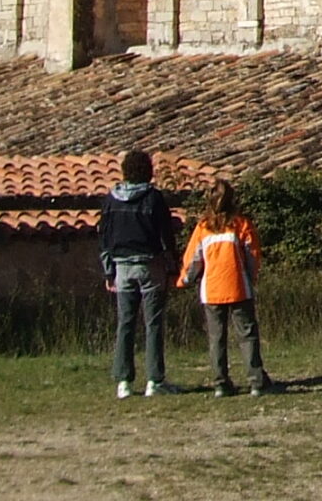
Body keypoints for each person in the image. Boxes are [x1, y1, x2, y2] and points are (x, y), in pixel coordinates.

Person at [177, 178, 274, 396]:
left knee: (216, 337)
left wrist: (184, 279)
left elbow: (194, 260)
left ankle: (220, 382)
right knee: (247, 334)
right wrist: (251, 277)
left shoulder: (203, 228)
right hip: (239, 286)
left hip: (212, 290)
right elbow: (253, 256)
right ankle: (256, 379)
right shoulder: (241, 224)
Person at [97, 148, 181, 398]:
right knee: (153, 323)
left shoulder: (111, 200)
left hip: (122, 267)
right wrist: (172, 266)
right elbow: (166, 235)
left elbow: (104, 238)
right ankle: (154, 380)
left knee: (125, 323)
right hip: (149, 264)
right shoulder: (153, 198)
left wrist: (108, 272)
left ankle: (123, 381)